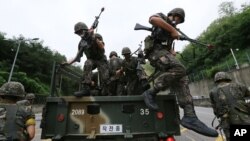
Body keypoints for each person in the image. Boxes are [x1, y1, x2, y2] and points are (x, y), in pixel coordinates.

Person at [142, 8, 218, 137]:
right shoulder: (162, 18)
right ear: (172, 15)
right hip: (155, 52)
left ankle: (190, 116)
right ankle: (150, 92)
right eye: (177, 18)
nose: (177, 22)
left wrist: (171, 51)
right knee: (179, 69)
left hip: (163, 52)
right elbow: (152, 19)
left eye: (180, 21)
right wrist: (172, 30)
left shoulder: (171, 28)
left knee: (181, 77)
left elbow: (166, 46)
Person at [62, 22, 110, 97]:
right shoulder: (81, 43)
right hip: (91, 60)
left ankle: (106, 91)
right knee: (88, 63)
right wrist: (68, 63)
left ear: (85, 30)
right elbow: (77, 57)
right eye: (78, 32)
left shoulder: (96, 36)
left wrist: (93, 37)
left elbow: (102, 47)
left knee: (105, 78)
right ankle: (86, 89)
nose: (79, 33)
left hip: (101, 59)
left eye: (81, 31)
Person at [209, 71, 250, 141]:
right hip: (244, 119)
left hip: (227, 122)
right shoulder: (239, 86)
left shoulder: (213, 92)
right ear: (227, 77)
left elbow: (215, 110)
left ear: (216, 80)